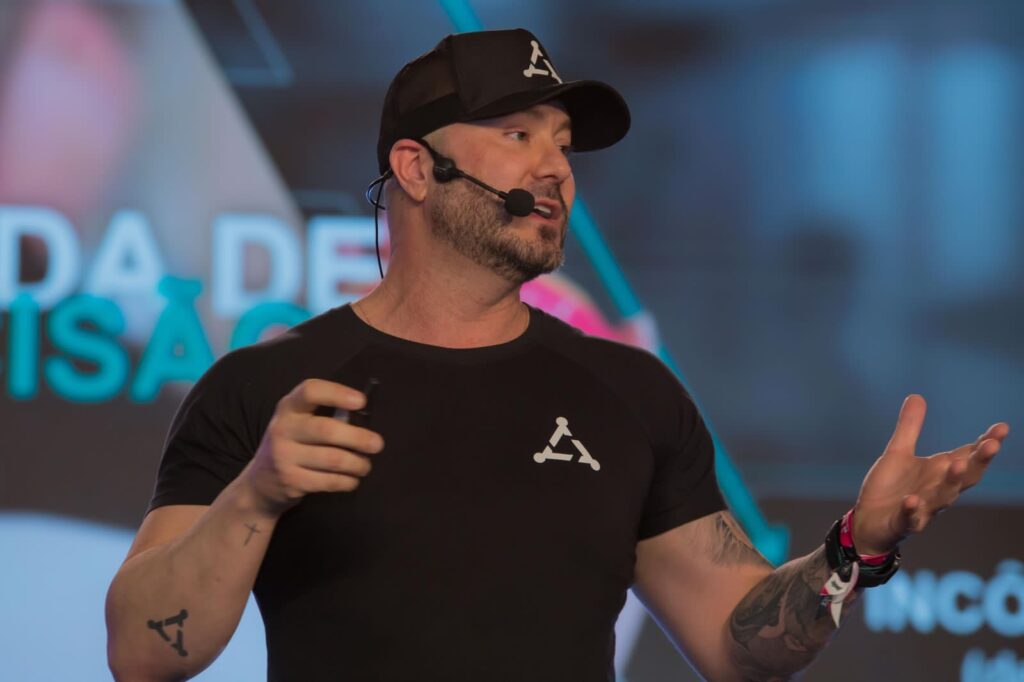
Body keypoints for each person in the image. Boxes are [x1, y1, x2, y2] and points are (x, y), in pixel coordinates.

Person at [105, 28, 1009, 681]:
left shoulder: (630, 394)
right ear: (415, 169)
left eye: (563, 144)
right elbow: (142, 653)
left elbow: (741, 647)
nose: (556, 168)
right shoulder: (267, 388)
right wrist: (255, 496)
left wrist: (855, 550)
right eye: (518, 135)